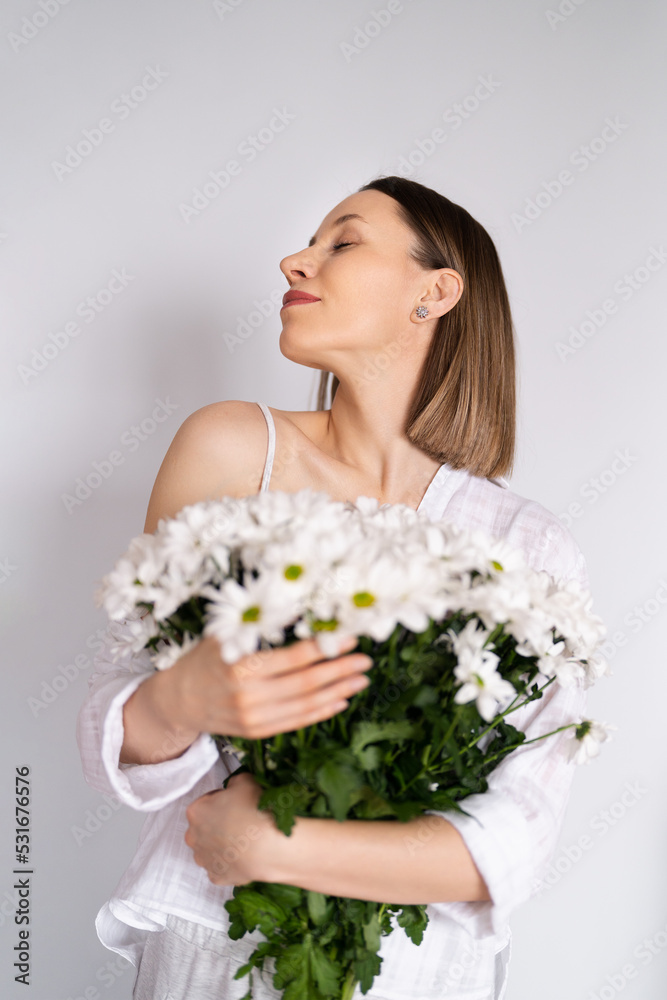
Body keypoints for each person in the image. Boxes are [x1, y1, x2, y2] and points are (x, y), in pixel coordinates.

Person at [77, 175, 591, 1000]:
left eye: (340, 243)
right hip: (217, 955)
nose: (295, 261)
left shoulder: (524, 546)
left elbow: (512, 841)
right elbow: (120, 722)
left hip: (416, 975)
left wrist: (270, 849)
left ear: (436, 291)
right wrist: (186, 699)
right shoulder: (234, 449)